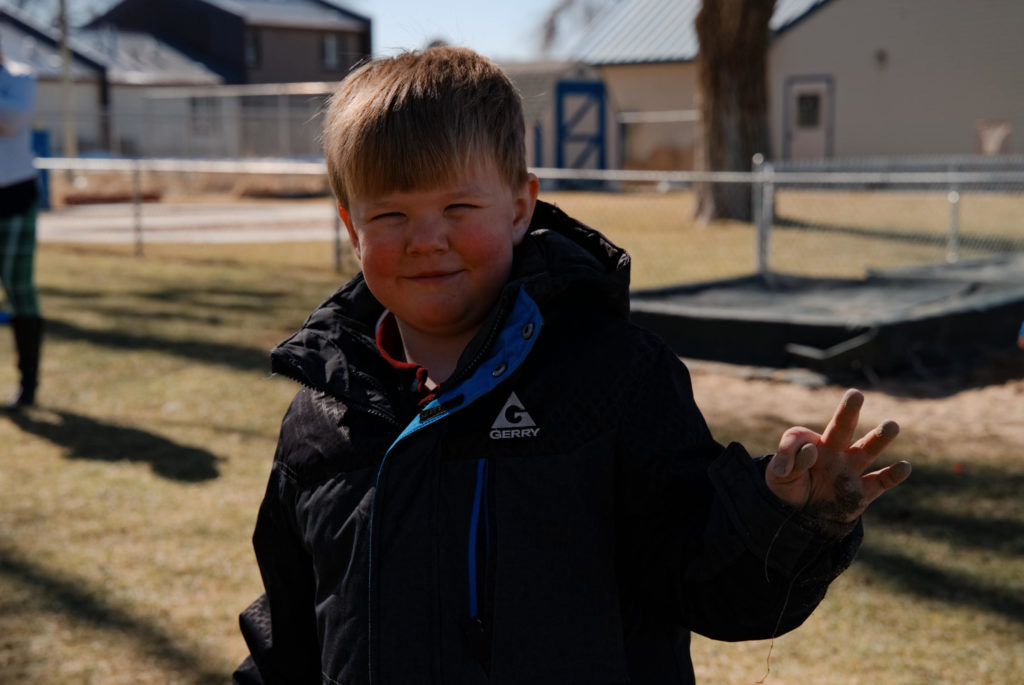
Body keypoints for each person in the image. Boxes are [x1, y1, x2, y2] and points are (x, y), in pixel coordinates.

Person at [235, 47, 911, 684]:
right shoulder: (321, 418)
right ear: (352, 227)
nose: (426, 239)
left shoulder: (613, 379)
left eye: (458, 207)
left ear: (521, 206)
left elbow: (711, 585)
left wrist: (791, 519)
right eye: (390, 214)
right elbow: (289, 635)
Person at [0, 38, 43, 411]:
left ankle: (28, 384)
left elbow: (11, 120)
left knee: (18, 288)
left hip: (14, 196)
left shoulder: (19, 76)